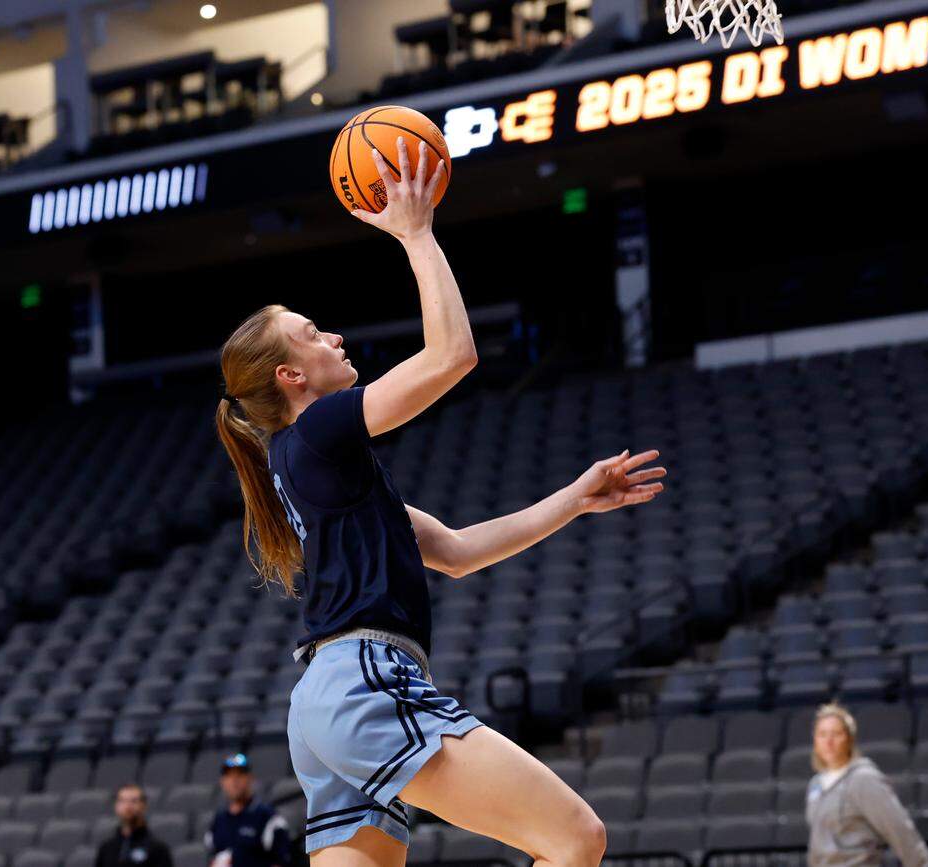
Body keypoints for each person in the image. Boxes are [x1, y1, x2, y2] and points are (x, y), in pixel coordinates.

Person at [215, 137, 667, 867]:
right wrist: (416, 233)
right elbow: (451, 354)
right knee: (576, 838)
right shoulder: (319, 431)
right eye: (311, 332)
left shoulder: (316, 470)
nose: (332, 333)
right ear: (291, 374)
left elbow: (454, 552)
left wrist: (574, 500)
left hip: (322, 705)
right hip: (367, 680)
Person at [807, 702, 928, 867]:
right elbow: (817, 845)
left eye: (836, 734)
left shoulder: (864, 778)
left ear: (849, 739)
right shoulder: (815, 784)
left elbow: (898, 828)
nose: (828, 741)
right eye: (822, 734)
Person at [206, 753, 293, 867]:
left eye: (239, 775)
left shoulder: (267, 818)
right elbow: (212, 858)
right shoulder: (218, 820)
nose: (234, 781)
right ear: (222, 781)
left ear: (250, 778)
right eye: (229, 775)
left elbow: (282, 861)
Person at [94, 784, 174, 867]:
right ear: (116, 806)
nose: (128, 806)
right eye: (122, 801)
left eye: (134, 801)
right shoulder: (106, 848)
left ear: (143, 806)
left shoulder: (157, 848)